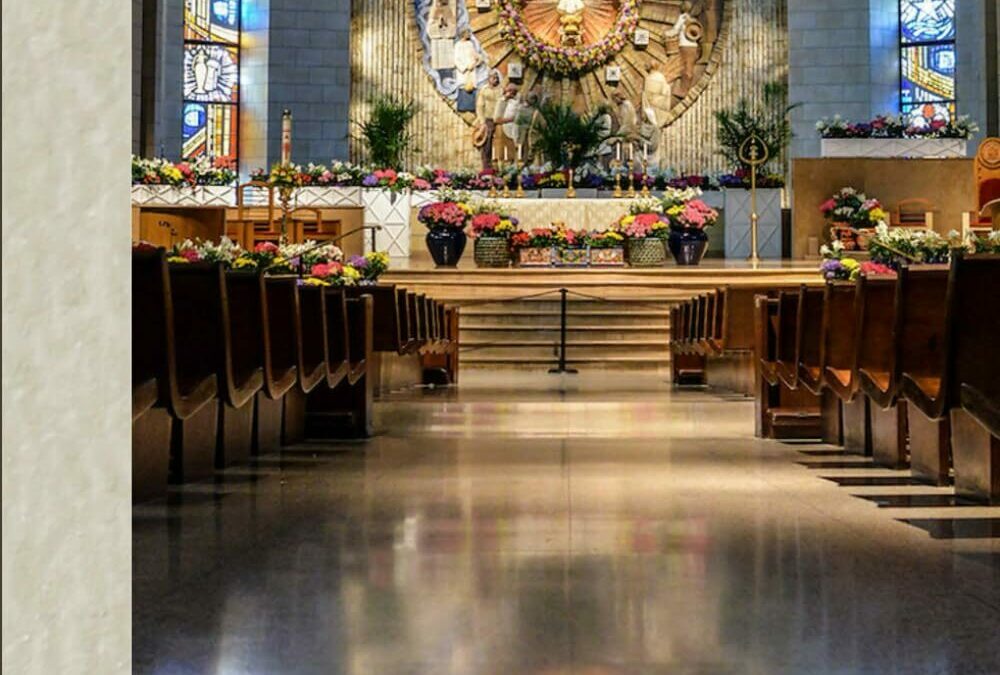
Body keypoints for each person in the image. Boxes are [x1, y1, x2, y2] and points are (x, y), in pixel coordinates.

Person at [474, 70, 503, 169]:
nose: (495, 79)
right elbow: (480, 106)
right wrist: (482, 122)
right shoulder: (484, 90)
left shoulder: (501, 90)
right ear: (489, 78)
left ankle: (500, 166)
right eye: (493, 77)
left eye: (496, 77)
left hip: (500, 120)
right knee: (487, 142)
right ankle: (487, 166)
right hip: (488, 119)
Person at [493, 84, 522, 164]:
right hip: (503, 129)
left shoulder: (517, 101)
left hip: (514, 130)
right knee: (502, 153)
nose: (512, 94)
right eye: (510, 91)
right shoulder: (502, 101)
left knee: (514, 152)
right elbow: (496, 119)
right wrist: (509, 119)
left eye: (514, 92)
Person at [454, 28, 481, 112]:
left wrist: (477, 60)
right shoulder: (458, 45)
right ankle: (462, 107)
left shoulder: (470, 44)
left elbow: (474, 54)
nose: (469, 35)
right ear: (463, 34)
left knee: (471, 86)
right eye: (467, 33)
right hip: (464, 70)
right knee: (463, 86)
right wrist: (465, 67)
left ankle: (471, 107)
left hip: (471, 69)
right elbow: (456, 59)